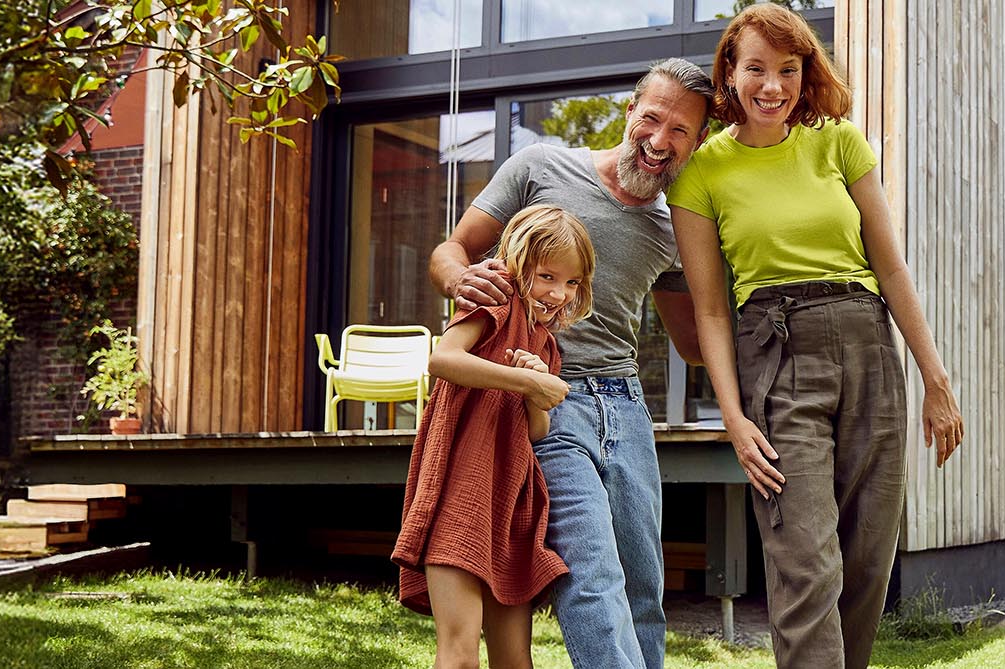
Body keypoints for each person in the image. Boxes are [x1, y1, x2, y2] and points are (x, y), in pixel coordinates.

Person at [663, 5, 967, 668]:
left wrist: (935, 380)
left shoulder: (838, 142)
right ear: (729, 72)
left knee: (866, 559)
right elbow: (712, 310)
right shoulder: (701, 173)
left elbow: (891, 266)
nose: (773, 86)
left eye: (788, 69)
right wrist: (734, 418)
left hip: (869, 345)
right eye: (757, 69)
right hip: (776, 353)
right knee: (807, 562)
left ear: (806, 73)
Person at [428, 58, 716, 669]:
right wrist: (460, 278)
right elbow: (452, 249)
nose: (661, 141)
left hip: (628, 407)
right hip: (548, 397)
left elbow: (694, 342)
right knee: (592, 575)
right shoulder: (540, 167)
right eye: (652, 119)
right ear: (630, 110)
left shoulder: (673, 229)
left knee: (643, 585)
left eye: (681, 132)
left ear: (698, 142)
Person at [392, 205, 593, 669]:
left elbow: (536, 431)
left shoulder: (546, 342)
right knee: (460, 655)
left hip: (510, 505)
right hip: (461, 495)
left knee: (516, 660)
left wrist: (535, 393)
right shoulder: (495, 303)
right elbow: (443, 359)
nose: (559, 293)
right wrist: (525, 383)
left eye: (572, 282)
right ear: (519, 263)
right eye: (547, 276)